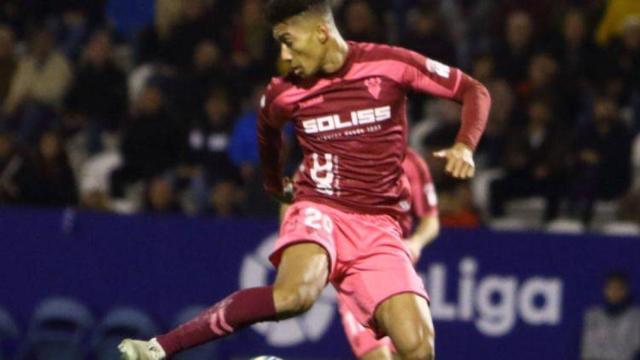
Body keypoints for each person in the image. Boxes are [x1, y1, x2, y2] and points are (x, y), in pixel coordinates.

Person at [119, 1, 490, 359]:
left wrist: (465, 145)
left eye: (289, 42)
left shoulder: (390, 64)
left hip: (379, 227)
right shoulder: (283, 91)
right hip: (320, 207)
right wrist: (273, 181)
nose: (285, 57)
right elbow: (268, 136)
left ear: (322, 32)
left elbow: (474, 90)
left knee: (419, 348)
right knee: (295, 296)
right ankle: (160, 348)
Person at [338, 148, 440, 360]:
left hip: (396, 273)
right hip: (356, 275)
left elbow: (431, 220)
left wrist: (416, 242)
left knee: (413, 353)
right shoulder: (339, 159)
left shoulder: (411, 162)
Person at [581, 272, 640, 360]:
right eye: (611, 288)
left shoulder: (636, 317)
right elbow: (588, 352)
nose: (614, 292)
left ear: (625, 291)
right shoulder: (593, 316)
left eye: (618, 288)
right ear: (605, 290)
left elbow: (637, 349)